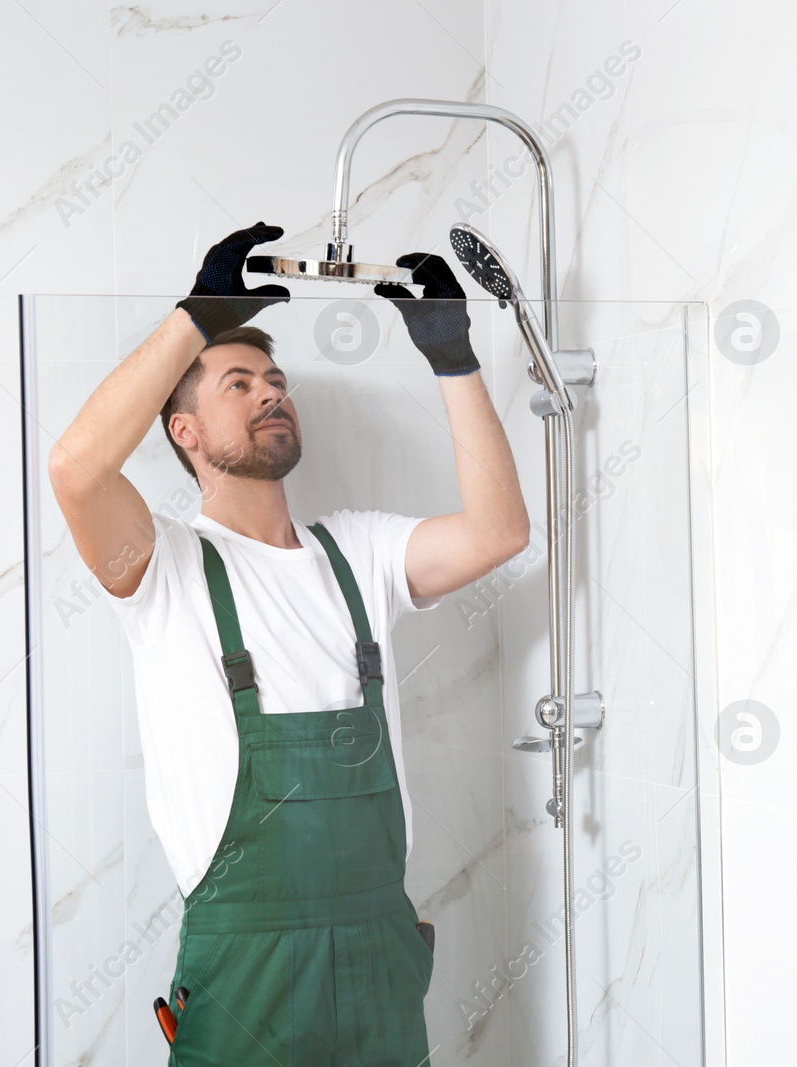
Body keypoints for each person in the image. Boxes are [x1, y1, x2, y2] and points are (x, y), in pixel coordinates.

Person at [48, 222, 530, 1065]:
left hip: (378, 959)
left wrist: (453, 357)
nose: (271, 392)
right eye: (238, 384)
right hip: (247, 982)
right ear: (185, 433)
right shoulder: (165, 567)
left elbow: (499, 531)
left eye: (276, 379)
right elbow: (75, 470)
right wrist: (195, 319)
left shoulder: (359, 552)